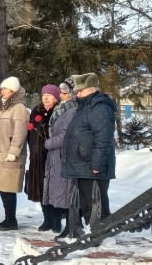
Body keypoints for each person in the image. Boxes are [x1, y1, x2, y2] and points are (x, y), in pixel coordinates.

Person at [61, 72, 117, 229]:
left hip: (92, 166)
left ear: (92, 89)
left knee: (97, 204)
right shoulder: (84, 107)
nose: (77, 94)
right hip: (82, 165)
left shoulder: (101, 108)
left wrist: (97, 164)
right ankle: (93, 232)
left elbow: (103, 139)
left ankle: (103, 233)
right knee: (86, 204)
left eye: (81, 91)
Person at [44, 78, 79, 237]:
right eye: (61, 92)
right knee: (60, 190)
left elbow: (66, 136)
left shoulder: (71, 110)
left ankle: (72, 226)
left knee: (67, 191)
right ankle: (68, 226)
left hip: (63, 155)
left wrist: (48, 143)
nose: (61, 95)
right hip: (56, 156)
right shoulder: (61, 108)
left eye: (65, 92)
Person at [0, 76, 29, 231]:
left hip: (11, 154)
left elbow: (20, 132)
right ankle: (9, 218)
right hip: (1, 153)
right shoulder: (4, 108)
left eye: (5, 89)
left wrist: (14, 151)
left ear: (13, 91)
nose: (2, 91)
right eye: (2, 89)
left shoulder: (19, 108)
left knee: (8, 187)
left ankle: (11, 220)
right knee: (3, 187)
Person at [27, 85, 60, 231]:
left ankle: (56, 219)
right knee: (41, 188)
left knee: (53, 189)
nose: (46, 97)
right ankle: (47, 219)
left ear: (56, 97)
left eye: (49, 95)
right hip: (37, 157)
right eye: (43, 94)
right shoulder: (36, 110)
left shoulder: (58, 111)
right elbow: (30, 133)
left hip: (52, 156)